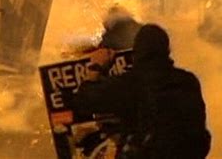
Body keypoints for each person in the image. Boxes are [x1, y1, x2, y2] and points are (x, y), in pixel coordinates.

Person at [72, 24, 211, 159]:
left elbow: (84, 100)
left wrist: (97, 66)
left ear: (136, 53)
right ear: (167, 50)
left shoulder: (131, 83)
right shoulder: (188, 81)